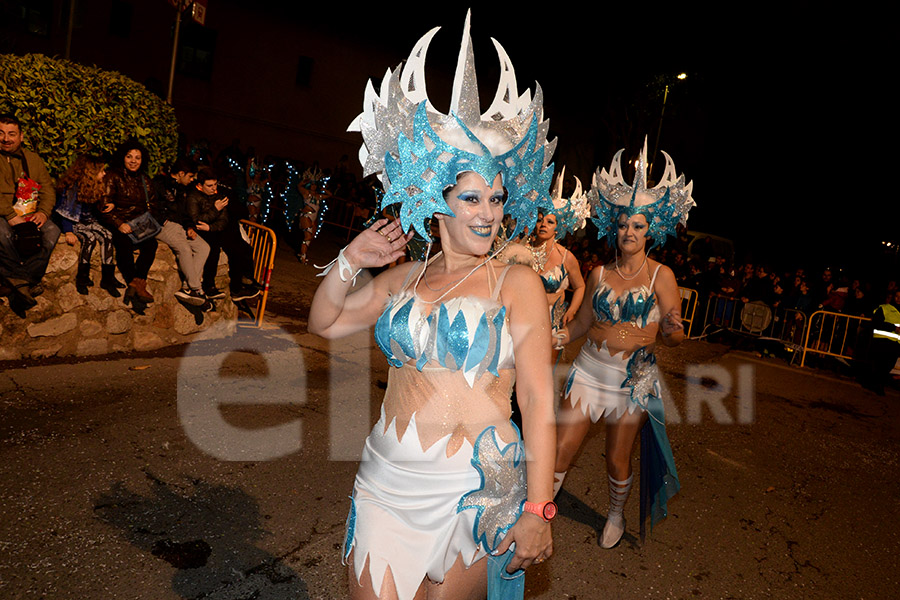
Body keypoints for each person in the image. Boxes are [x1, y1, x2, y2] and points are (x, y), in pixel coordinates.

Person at [310, 13, 556, 599]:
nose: (488, 213)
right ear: (437, 202)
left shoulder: (514, 284)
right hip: (386, 481)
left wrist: (539, 508)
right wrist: (349, 258)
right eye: (471, 197)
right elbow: (325, 321)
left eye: (496, 199)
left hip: (472, 491)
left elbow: (540, 403)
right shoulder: (403, 279)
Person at [555, 139, 694, 548]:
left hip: (631, 381)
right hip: (588, 370)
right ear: (614, 228)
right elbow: (582, 321)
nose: (628, 232)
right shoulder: (598, 273)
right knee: (561, 448)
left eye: (638, 225)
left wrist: (673, 331)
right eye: (623, 224)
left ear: (651, 231)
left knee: (617, 458)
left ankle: (615, 513)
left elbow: (674, 336)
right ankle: (540, 509)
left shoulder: (661, 276)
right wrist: (562, 334)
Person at [0, 114, 60, 316]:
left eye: (11, 134)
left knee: (52, 231)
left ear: (21, 136)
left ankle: (17, 282)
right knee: (3, 234)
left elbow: (48, 191)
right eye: (1, 133)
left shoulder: (33, 159)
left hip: (30, 212)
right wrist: (9, 215)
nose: (6, 138)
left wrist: (43, 212)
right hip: (2, 214)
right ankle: (26, 283)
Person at [527, 168, 588, 348]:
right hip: (520, 320)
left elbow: (580, 286)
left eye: (549, 222)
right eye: (540, 220)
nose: (543, 225)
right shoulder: (522, 250)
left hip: (550, 327)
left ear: (557, 227)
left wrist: (572, 310)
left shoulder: (566, 258)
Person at [100, 138, 159, 309]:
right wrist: (119, 223)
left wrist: (143, 223)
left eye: (137, 158)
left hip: (139, 223)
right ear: (122, 158)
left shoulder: (145, 179)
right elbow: (104, 204)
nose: (133, 161)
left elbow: (153, 205)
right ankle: (138, 284)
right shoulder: (113, 176)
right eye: (129, 156)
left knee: (151, 245)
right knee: (123, 244)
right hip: (118, 222)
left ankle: (136, 284)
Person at [185, 167, 260, 302]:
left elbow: (224, 218)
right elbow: (196, 219)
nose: (214, 188)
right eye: (209, 185)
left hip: (213, 228)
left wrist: (211, 227)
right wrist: (215, 209)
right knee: (212, 249)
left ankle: (239, 286)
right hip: (200, 230)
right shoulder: (193, 196)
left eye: (215, 184)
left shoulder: (218, 194)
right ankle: (208, 286)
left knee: (238, 247)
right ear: (200, 185)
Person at [54, 154, 124, 297]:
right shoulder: (72, 188)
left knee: (107, 235)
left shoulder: (95, 185)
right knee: (90, 238)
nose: (104, 173)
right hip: (75, 222)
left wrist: (108, 205)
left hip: (89, 220)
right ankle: (82, 277)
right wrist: (68, 231)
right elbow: (65, 211)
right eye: (101, 171)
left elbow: (94, 209)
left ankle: (108, 277)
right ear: (91, 172)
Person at [151, 157, 210, 306]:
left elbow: (185, 213)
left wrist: (189, 226)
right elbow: (151, 207)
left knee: (204, 247)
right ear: (181, 173)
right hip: (162, 225)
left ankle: (187, 288)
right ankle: (197, 289)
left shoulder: (183, 189)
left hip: (179, 226)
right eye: (190, 176)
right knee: (183, 248)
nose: (192, 180)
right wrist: (164, 220)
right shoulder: (158, 184)